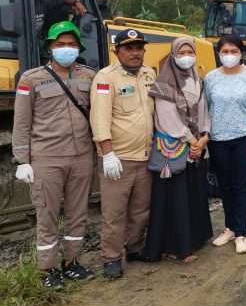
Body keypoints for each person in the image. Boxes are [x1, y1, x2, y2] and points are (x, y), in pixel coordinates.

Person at [12, 22, 96, 289]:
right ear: (50, 47)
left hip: (82, 156)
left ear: (79, 48)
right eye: (60, 45)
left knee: (77, 213)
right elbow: (22, 122)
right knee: (47, 215)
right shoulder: (31, 79)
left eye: (71, 45)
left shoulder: (89, 77)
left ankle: (71, 263)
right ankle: (46, 269)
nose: (66, 49)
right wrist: (22, 160)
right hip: (47, 158)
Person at [90, 28, 156, 279]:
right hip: (118, 159)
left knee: (141, 210)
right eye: (128, 48)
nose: (135, 53)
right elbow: (100, 117)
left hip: (146, 156)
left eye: (139, 48)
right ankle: (111, 257)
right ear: (116, 51)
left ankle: (135, 248)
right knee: (114, 213)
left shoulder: (150, 74)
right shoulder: (106, 78)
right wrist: (107, 153)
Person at [143, 37, 214, 262]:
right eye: (180, 53)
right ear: (173, 56)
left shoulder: (198, 80)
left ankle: (194, 240)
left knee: (194, 196)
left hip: (196, 149)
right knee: (176, 201)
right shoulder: (164, 83)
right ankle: (176, 247)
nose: (186, 57)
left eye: (189, 52)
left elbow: (204, 113)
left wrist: (204, 137)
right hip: (175, 149)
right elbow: (165, 118)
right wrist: (191, 140)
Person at [204, 35, 246, 254]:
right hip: (218, 140)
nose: (229, 56)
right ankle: (229, 228)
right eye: (225, 51)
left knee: (240, 186)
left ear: (241, 53)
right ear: (218, 53)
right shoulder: (210, 78)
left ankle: (241, 233)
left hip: (244, 139)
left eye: (233, 51)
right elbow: (207, 111)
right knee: (225, 186)